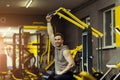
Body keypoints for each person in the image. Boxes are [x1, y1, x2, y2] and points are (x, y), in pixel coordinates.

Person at [46, 15, 75, 80]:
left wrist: (61, 73)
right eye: (55, 39)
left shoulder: (65, 50)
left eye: (59, 39)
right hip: (58, 73)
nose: (56, 41)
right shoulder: (56, 46)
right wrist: (48, 22)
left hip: (66, 74)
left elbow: (72, 64)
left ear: (62, 40)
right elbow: (50, 34)